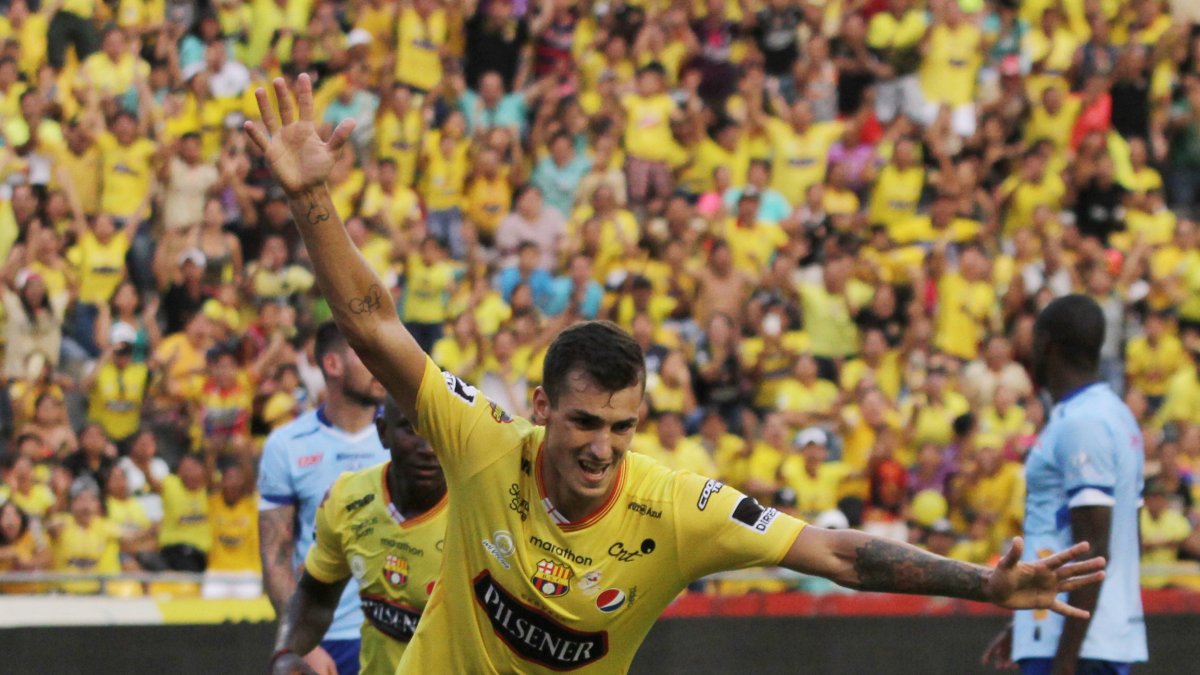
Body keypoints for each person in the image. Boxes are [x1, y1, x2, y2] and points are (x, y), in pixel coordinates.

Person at [247, 75, 1105, 674]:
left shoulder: (674, 507)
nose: (601, 450)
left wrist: (985, 583)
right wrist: (309, 201)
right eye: (584, 423)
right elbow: (370, 325)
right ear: (541, 406)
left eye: (623, 427)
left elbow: (838, 551)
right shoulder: (480, 437)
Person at [982, 295, 1146, 674]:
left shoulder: (1081, 421)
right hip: (1090, 632)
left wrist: (1066, 657)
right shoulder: (1116, 415)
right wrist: (1023, 622)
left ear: (1047, 344)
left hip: (1072, 640)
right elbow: (1126, 536)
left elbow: (1095, 543)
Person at [269, 397, 448, 675]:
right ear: (382, 432)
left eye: (439, 429)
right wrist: (286, 653)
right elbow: (316, 596)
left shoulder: (481, 511)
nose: (427, 447)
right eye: (411, 428)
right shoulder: (348, 499)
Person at [257, 320, 390, 675]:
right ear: (332, 365)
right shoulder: (286, 445)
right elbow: (275, 558)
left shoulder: (409, 440)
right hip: (325, 641)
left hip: (398, 633)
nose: (382, 366)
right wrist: (301, 643)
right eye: (366, 356)